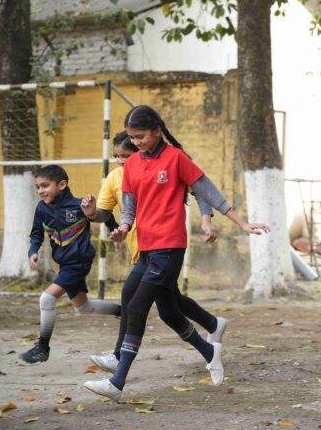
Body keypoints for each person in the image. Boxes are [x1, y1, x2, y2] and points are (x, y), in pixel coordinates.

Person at [83, 105, 269, 401]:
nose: (136, 143)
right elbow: (129, 208)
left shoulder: (176, 158)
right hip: (145, 248)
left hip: (169, 247)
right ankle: (210, 350)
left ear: (157, 130)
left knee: (137, 308)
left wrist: (240, 222)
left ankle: (117, 382)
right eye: (132, 138)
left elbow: (207, 190)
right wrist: (124, 227)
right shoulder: (130, 166)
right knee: (167, 311)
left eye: (140, 136)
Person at [81, 131, 227, 374]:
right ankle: (212, 333)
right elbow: (106, 214)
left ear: (142, 148)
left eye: (125, 156)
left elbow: (198, 189)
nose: (120, 161)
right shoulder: (116, 177)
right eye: (117, 156)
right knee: (170, 308)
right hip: (142, 251)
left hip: (164, 249)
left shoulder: (163, 164)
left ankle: (119, 366)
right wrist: (92, 213)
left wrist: (207, 219)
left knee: (134, 301)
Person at [18, 165, 121, 365]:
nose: (40, 191)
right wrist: (33, 252)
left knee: (47, 299)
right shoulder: (41, 208)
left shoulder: (78, 206)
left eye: (45, 185)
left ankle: (42, 348)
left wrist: (115, 232)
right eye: (38, 187)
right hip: (65, 265)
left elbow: (104, 214)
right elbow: (36, 233)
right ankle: (123, 312)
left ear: (62, 184)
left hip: (79, 262)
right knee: (83, 308)